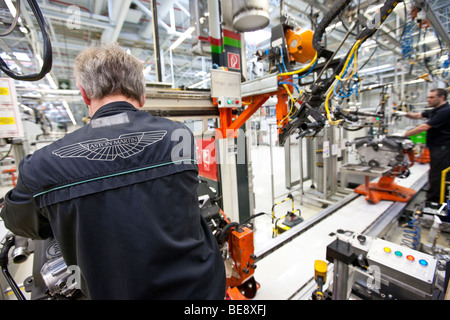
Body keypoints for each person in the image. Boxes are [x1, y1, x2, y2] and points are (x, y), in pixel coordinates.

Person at [0, 43, 226, 300]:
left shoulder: (41, 166)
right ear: (142, 96)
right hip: (202, 290)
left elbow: (19, 222)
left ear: (84, 95)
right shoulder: (178, 136)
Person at [404, 88, 450, 203]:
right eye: (428, 97)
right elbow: (417, 115)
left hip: (443, 148)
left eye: (432, 97)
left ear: (442, 98)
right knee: (434, 173)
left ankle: (434, 203)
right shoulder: (435, 110)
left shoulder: (445, 111)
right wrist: (402, 113)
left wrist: (404, 135)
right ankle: (435, 198)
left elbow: (424, 127)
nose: (428, 99)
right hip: (437, 147)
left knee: (438, 175)